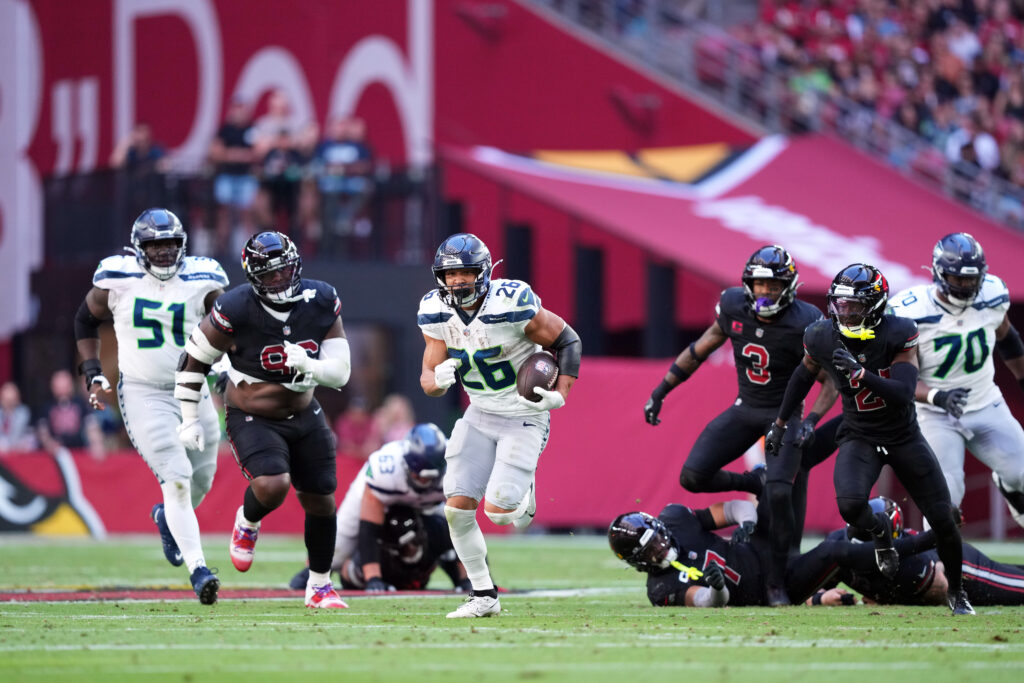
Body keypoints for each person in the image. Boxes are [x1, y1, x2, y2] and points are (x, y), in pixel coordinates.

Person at [764, 263, 974, 616]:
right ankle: (882, 535)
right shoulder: (821, 335)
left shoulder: (899, 331)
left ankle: (956, 591)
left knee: (943, 519)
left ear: (875, 305)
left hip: (903, 435)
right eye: (841, 305)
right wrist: (780, 423)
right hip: (859, 434)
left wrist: (862, 374)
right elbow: (803, 376)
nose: (845, 313)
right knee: (849, 505)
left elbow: (905, 392)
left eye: (855, 306)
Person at [642, 245, 836, 606]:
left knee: (779, 495)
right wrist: (662, 388)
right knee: (692, 476)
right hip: (746, 408)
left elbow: (830, 380)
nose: (765, 292)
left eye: (773, 285)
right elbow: (700, 348)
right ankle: (753, 481)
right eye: (759, 285)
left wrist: (811, 420)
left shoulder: (805, 320)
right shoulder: (733, 306)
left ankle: (776, 581)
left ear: (789, 287)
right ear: (748, 285)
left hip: (784, 415)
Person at [174, 230, 351, 609]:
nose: (279, 280)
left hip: (304, 410)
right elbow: (191, 361)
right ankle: (248, 520)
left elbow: (340, 373)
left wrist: (311, 366)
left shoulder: (320, 299)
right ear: (253, 277)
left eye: (284, 271)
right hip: (253, 415)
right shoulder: (235, 308)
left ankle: (319, 586)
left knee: (321, 499)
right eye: (269, 274)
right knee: (273, 485)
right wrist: (188, 417)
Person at [418, 233, 581, 618]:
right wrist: (436, 382)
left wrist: (561, 393)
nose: (457, 281)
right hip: (478, 412)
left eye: (465, 272)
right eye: (450, 274)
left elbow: (567, 339)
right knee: (456, 509)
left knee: (501, 514)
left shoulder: (512, 302)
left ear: (484, 273)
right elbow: (427, 376)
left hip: (523, 412)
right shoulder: (434, 310)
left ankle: (524, 492)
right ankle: (484, 596)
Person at [74, 208, 227, 604]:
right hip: (144, 392)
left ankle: (165, 517)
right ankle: (199, 570)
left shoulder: (203, 278)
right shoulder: (117, 278)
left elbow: (230, 326)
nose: (163, 253)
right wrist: (92, 370)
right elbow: (83, 320)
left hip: (193, 388)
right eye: (155, 245)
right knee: (176, 479)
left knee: (202, 479)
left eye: (170, 244)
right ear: (138, 247)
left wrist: (227, 366)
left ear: (183, 246)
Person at [889, 233, 1024, 529]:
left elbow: (1008, 338)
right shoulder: (911, 312)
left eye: (971, 279)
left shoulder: (992, 295)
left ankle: (1007, 483)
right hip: (934, 413)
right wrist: (938, 396)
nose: (965, 286)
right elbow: (900, 378)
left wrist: (1021, 376)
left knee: (1021, 475)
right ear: (939, 273)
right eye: (957, 278)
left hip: (986, 402)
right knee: (945, 497)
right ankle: (938, 567)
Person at [607, 499, 936, 608]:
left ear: (659, 525)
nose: (660, 548)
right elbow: (707, 602)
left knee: (843, 536)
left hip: (769, 557)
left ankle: (902, 577)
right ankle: (923, 542)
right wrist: (718, 587)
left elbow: (734, 508)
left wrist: (747, 523)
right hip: (771, 591)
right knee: (836, 551)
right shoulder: (660, 588)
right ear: (639, 564)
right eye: (649, 551)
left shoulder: (676, 518)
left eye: (656, 539)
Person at [287, 423, 469, 592]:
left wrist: (477, 578)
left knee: (445, 528)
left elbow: (464, 527)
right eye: (420, 476)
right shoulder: (386, 469)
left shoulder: (457, 468)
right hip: (378, 494)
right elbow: (369, 529)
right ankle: (313, 573)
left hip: (430, 503)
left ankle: (461, 578)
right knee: (337, 550)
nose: (425, 482)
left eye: (430, 478)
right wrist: (373, 578)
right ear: (407, 464)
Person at [813, 496, 1024, 608]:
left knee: (1018, 588)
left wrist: (889, 599)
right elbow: (808, 586)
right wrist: (820, 599)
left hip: (960, 570)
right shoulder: (838, 546)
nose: (863, 555)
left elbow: (943, 588)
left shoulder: (911, 564)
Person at [36, 369, 105, 460]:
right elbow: (43, 431)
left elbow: (91, 425)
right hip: (54, 455)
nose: (62, 389)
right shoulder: (47, 407)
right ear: (52, 387)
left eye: (65, 385)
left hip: (79, 451)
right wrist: (49, 444)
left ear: (71, 386)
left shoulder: (81, 404)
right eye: (58, 386)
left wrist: (96, 443)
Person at [0, 381, 36, 452]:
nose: (8, 404)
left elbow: (28, 437)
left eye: (10, 401)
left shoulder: (24, 413)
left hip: (19, 454)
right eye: (5, 400)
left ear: (17, 399)